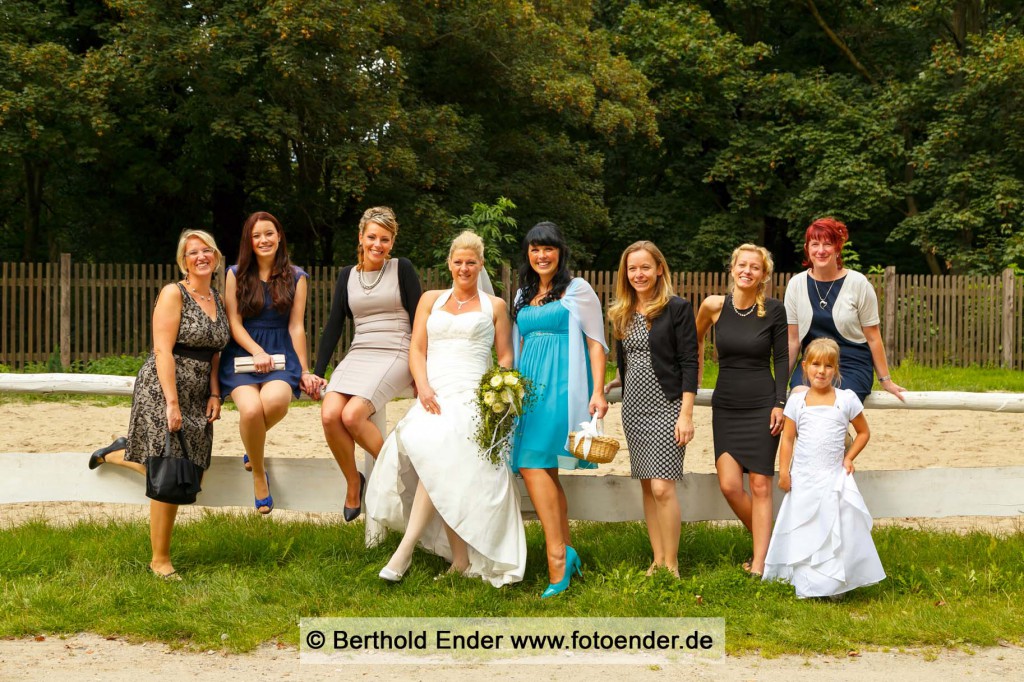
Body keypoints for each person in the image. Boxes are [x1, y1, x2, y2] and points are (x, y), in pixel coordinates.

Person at [364, 231, 526, 586]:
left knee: (441, 461)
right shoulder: (429, 300)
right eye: (458, 262)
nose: (464, 268)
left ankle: (406, 553)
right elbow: (417, 350)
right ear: (449, 264)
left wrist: (499, 393)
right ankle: (459, 559)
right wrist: (422, 385)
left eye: (471, 262)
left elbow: (504, 357)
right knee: (433, 454)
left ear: (480, 265)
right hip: (433, 395)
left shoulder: (494, 306)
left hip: (472, 396)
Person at [87, 230, 230, 579]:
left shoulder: (219, 299)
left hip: (199, 391)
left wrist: (214, 392)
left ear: (216, 256)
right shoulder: (173, 293)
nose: (201, 256)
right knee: (172, 467)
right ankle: (160, 560)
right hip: (163, 385)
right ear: (183, 261)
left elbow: (215, 353)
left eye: (206, 250)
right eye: (192, 252)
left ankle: (120, 452)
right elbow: (162, 349)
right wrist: (171, 402)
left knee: (192, 470)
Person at [510, 221, 608, 598]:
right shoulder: (522, 294)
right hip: (529, 387)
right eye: (535, 249)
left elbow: (596, 342)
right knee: (544, 469)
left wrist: (597, 392)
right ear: (528, 254)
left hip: (562, 386)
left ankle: (556, 558)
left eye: (548, 248)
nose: (541, 255)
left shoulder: (577, 289)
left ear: (560, 252)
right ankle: (566, 548)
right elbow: (517, 342)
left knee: (532, 464)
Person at [311, 207, 422, 522]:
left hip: (396, 350)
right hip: (360, 350)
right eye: (372, 237)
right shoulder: (348, 274)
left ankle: (399, 476)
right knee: (330, 414)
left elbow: (419, 319)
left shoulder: (402, 269)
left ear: (392, 242)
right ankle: (353, 481)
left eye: (384, 239)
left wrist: (419, 367)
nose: (377, 244)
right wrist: (318, 373)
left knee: (353, 414)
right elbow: (334, 324)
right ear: (360, 237)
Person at [763, 338, 886, 598]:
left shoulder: (846, 399)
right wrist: (784, 472)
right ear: (805, 367)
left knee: (833, 526)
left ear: (836, 369)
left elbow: (863, 433)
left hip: (832, 478)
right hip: (804, 478)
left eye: (828, 366)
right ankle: (804, 582)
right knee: (804, 525)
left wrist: (849, 457)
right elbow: (787, 439)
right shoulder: (797, 402)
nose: (821, 371)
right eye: (816, 365)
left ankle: (832, 584)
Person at [604, 241, 697, 578]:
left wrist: (686, 413)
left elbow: (689, 361)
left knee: (663, 486)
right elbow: (628, 356)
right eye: (632, 269)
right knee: (646, 484)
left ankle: (671, 565)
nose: (638, 274)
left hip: (668, 404)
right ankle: (656, 559)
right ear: (624, 274)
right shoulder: (621, 311)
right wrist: (617, 380)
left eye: (645, 267)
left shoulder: (677, 308)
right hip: (634, 407)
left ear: (660, 269)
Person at [695, 244, 788, 577]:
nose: (747, 271)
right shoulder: (714, 306)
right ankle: (779, 543)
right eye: (742, 265)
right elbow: (693, 342)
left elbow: (781, 358)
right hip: (727, 404)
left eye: (755, 267)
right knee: (730, 485)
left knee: (761, 485)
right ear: (732, 268)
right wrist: (692, 381)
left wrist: (780, 403)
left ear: (764, 275)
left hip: (763, 403)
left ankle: (761, 564)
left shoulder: (774, 310)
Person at [219, 211, 318, 514]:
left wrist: (303, 369)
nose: (263, 240)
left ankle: (252, 446)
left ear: (279, 237)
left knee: (275, 402)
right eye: (256, 235)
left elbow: (296, 326)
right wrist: (256, 351)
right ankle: (259, 474)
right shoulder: (235, 273)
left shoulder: (297, 276)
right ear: (249, 241)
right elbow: (233, 322)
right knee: (250, 410)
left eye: (269, 233)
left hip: (281, 354)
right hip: (242, 354)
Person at [786, 217, 906, 403]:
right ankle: (845, 435)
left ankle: (844, 433)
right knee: (798, 398)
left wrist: (886, 380)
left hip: (851, 364)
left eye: (827, 244)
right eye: (815, 244)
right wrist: (778, 385)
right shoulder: (796, 284)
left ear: (837, 248)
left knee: (831, 403)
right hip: (813, 363)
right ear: (807, 248)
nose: (821, 250)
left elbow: (873, 337)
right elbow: (792, 341)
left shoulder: (858, 284)